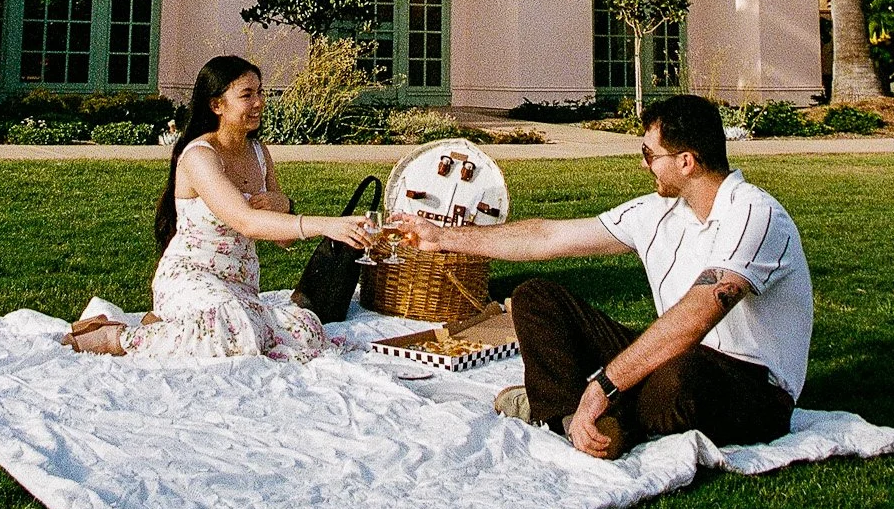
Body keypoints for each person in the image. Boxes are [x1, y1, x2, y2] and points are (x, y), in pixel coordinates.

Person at [394, 93, 811, 458]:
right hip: (674, 356)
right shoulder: (657, 211)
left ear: (686, 161)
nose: (644, 163)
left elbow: (696, 317)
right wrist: (442, 237)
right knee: (534, 298)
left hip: (750, 386)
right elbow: (548, 237)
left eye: (650, 154)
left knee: (679, 382)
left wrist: (604, 386)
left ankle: (596, 412)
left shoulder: (755, 215)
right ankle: (573, 419)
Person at [61, 55, 367, 362]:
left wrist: (284, 203)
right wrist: (327, 224)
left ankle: (162, 327)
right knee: (232, 328)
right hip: (190, 276)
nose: (259, 102)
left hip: (240, 285)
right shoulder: (199, 156)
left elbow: (282, 239)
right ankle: (112, 337)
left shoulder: (260, 152)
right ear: (216, 105)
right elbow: (247, 222)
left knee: (306, 330)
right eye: (247, 95)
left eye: (260, 92)